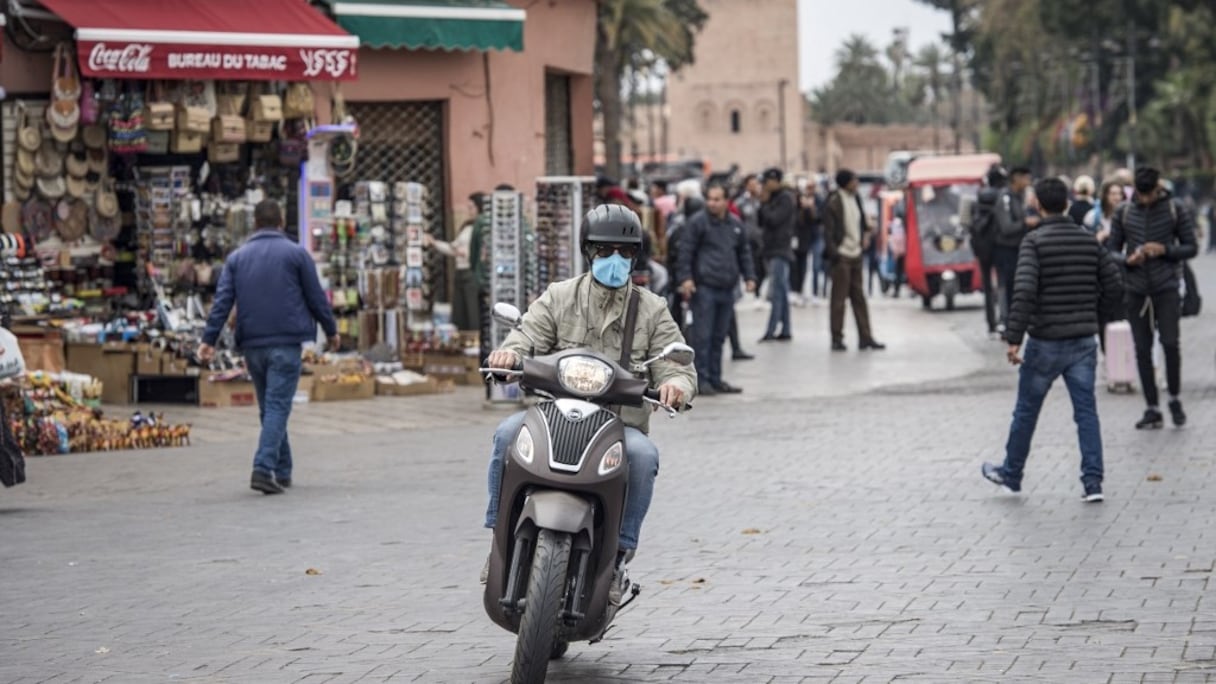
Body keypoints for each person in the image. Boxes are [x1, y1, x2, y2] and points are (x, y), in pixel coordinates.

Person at [482, 204, 696, 599]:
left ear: (635, 256)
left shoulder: (652, 309)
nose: (614, 259)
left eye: (625, 252)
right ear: (588, 251)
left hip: (620, 426)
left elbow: (677, 363)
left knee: (645, 457)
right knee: (505, 434)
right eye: (604, 250)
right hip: (555, 418)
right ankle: (498, 538)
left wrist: (676, 386)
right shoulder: (559, 296)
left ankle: (617, 554)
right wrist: (508, 355)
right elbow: (525, 336)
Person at [981, 178, 1124, 503]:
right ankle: (1093, 483)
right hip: (1083, 341)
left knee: (1026, 411)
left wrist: (1013, 337)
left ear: (1039, 206)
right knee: (1086, 412)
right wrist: (1094, 312)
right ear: (1068, 202)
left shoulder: (1034, 242)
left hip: (1044, 342)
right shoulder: (1089, 241)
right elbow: (1115, 285)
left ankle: (1012, 475)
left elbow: (1025, 291)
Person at [199, 200, 339, 495]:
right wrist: (331, 330)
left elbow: (222, 302)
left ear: (254, 224)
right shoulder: (297, 254)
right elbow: (316, 297)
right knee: (276, 406)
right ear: (281, 222)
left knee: (270, 409)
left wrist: (208, 340)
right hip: (285, 343)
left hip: (253, 346)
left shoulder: (237, 258)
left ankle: (282, 469)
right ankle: (263, 468)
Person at [1106, 167, 1198, 429]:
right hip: (1135, 289)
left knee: (1170, 344)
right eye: (1141, 193)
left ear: (1159, 187)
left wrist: (1165, 250)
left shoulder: (1175, 208)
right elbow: (1110, 250)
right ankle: (1152, 407)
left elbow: (1191, 247)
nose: (1145, 199)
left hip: (1166, 286)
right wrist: (1127, 259)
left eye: (1150, 194)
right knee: (1142, 349)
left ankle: (1175, 399)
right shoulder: (1124, 212)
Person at [676, 182, 757, 396]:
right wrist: (686, 278)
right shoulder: (697, 223)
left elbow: (744, 252)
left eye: (717, 199)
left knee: (720, 336)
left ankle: (715, 377)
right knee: (703, 336)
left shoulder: (735, 224)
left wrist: (749, 277)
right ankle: (701, 380)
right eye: (709, 199)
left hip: (727, 288)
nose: (712, 203)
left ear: (726, 201)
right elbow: (685, 251)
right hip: (704, 288)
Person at [824, 169, 885, 351]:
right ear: (846, 183)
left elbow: (859, 223)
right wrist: (835, 253)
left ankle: (865, 337)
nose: (857, 183)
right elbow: (828, 232)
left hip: (856, 253)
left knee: (859, 297)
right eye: (854, 180)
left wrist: (866, 233)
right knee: (839, 300)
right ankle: (837, 338)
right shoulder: (833, 202)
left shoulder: (856, 198)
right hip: (842, 255)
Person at [993, 166, 1039, 331]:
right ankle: (1006, 322)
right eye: (1026, 178)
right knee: (1006, 286)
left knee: (1017, 286)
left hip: (1018, 248)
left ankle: (1015, 320)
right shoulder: (1005, 198)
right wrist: (1025, 223)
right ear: (1017, 178)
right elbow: (1006, 227)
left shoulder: (1020, 197)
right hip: (1006, 249)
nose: (1028, 182)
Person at [758, 168, 795, 341]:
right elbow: (761, 221)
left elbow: (774, 220)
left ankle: (771, 330)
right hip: (771, 249)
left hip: (780, 249)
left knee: (777, 292)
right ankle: (786, 329)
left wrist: (765, 204)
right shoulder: (771, 198)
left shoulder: (785, 198)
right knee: (781, 290)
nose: (765, 185)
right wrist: (763, 203)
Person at [425, 210, 479, 331]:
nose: (470, 211)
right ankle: (463, 335)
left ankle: (473, 336)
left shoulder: (478, 229)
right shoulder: (467, 227)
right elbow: (453, 248)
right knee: (460, 308)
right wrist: (434, 243)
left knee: (472, 309)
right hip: (461, 271)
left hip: (470, 271)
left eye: (472, 207)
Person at [970, 165, 1007, 336]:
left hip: (982, 246)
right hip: (1000, 245)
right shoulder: (1002, 197)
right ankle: (1003, 319)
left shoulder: (978, 197)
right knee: (1002, 284)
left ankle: (990, 322)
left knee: (987, 286)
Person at [734, 175, 766, 300]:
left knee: (762, 267)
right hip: (747, 238)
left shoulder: (762, 200)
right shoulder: (741, 202)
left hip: (761, 238)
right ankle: (753, 289)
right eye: (751, 184)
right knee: (751, 264)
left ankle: (758, 286)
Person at [791, 185, 819, 305]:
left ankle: (800, 291)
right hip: (794, 243)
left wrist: (811, 207)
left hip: (804, 243)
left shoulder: (807, 211)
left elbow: (816, 220)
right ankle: (794, 291)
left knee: (803, 268)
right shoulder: (793, 210)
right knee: (795, 268)